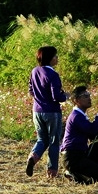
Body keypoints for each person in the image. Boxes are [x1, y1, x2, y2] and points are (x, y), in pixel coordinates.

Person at [26, 46, 68, 177]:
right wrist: (66, 96)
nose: (57, 58)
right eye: (55, 56)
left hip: (37, 111)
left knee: (41, 139)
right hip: (52, 111)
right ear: (49, 59)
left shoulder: (34, 71)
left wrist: (40, 97)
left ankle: (33, 156)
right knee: (54, 141)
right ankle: (52, 171)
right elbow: (56, 96)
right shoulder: (53, 74)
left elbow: (31, 90)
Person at [59, 86, 98, 185]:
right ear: (76, 100)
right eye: (85, 96)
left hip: (80, 154)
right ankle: (75, 174)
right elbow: (91, 131)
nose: (89, 98)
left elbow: (93, 136)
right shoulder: (76, 116)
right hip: (72, 157)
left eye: (89, 95)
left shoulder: (80, 115)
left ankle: (81, 175)